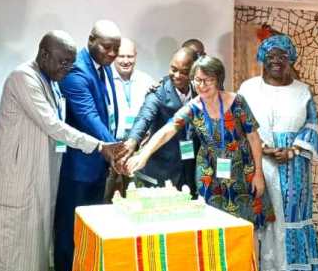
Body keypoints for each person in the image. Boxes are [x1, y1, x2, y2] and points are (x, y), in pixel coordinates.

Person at [0, 31, 122, 271]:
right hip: (16, 181)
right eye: (62, 61)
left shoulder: (50, 80)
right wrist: (100, 145)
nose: (67, 68)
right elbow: (52, 125)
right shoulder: (23, 78)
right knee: (8, 253)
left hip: (40, 179)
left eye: (70, 62)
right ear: (43, 54)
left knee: (35, 253)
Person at [126, 56, 273, 231]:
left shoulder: (237, 102)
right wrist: (144, 155)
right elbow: (168, 130)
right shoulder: (193, 107)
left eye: (207, 80)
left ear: (218, 79)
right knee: (212, 226)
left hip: (242, 169)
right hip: (209, 173)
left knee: (247, 226)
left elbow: (254, 138)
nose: (202, 85)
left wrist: (258, 173)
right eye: (197, 80)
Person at [239, 35, 318, 271]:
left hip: (294, 166)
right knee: (263, 219)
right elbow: (239, 123)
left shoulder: (302, 91)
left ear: (291, 60)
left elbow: (312, 125)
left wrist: (293, 150)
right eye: (271, 56)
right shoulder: (248, 88)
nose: (276, 61)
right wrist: (263, 148)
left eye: (282, 56)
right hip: (258, 163)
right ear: (262, 59)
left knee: (291, 218)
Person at [54, 20, 121, 271]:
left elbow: (107, 112)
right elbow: (88, 116)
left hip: (97, 166)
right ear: (91, 39)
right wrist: (116, 149)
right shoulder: (76, 71)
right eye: (107, 47)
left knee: (89, 235)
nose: (112, 54)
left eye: (116, 48)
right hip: (77, 170)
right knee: (69, 235)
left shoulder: (102, 67)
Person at [119, 46, 197, 189]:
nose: (177, 75)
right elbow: (144, 118)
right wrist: (132, 142)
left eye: (184, 72)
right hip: (161, 169)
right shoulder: (158, 91)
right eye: (173, 69)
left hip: (190, 168)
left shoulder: (199, 91)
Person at [104, 37, 154, 199]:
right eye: (121, 56)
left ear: (136, 56)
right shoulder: (103, 79)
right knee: (105, 197)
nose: (126, 61)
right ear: (114, 56)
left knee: (135, 197)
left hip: (137, 149)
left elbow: (153, 113)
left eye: (130, 56)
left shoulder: (147, 80)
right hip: (111, 147)